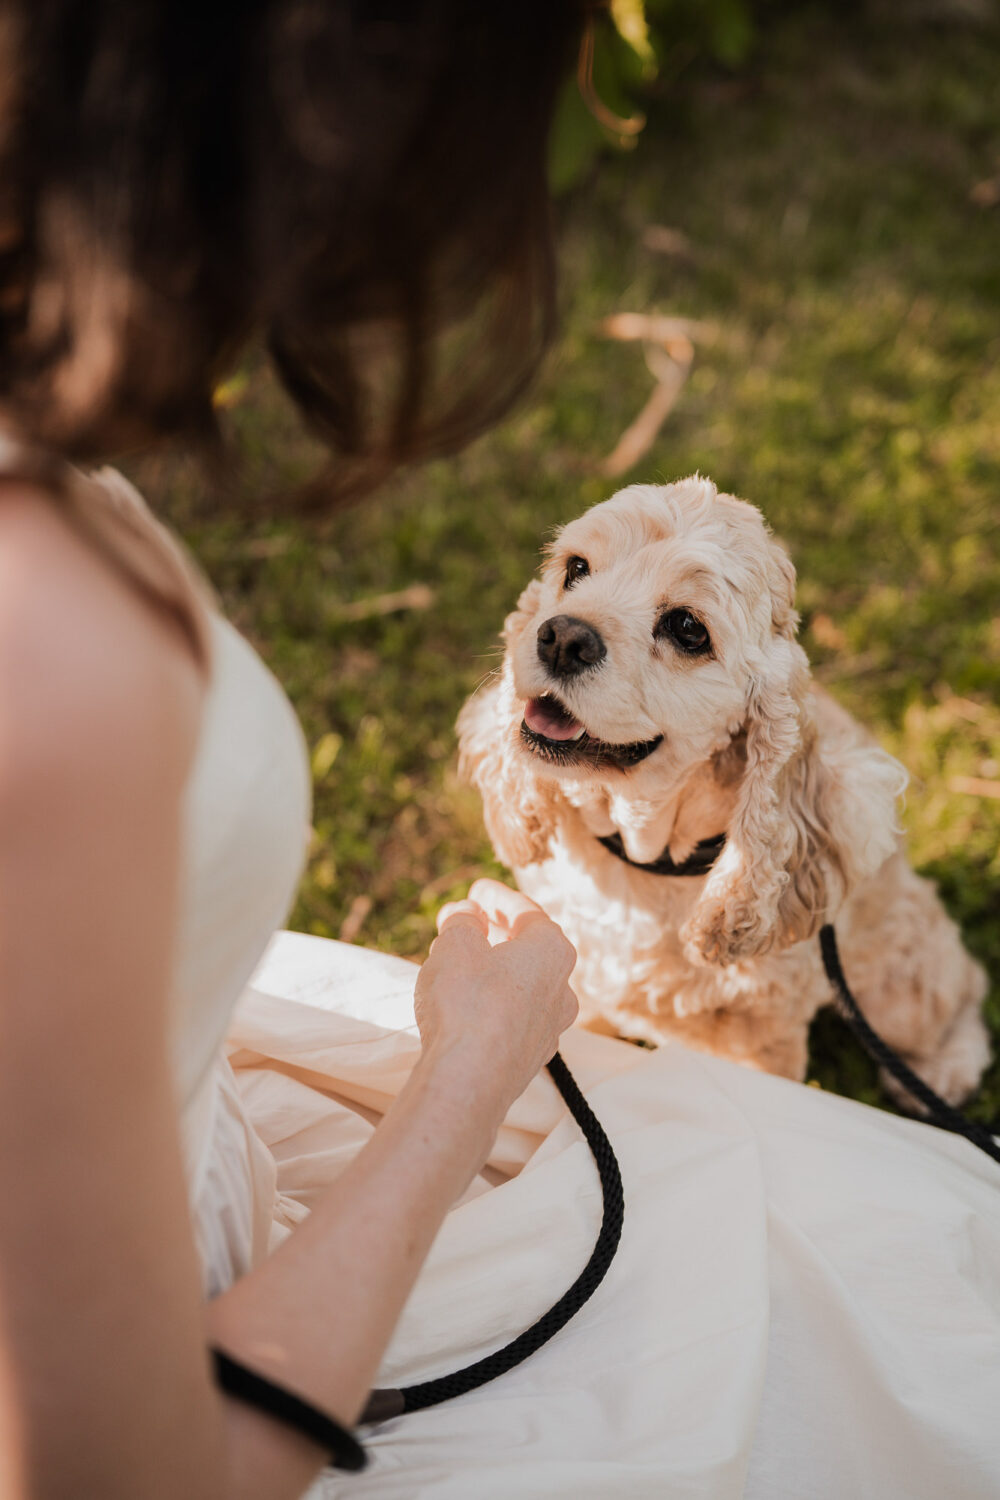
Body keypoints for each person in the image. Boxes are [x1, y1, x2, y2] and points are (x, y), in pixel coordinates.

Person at [1, 6, 998, 1500]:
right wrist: (471, 1068)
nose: (576, 629)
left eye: (681, 635)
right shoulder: (57, 653)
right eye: (573, 581)